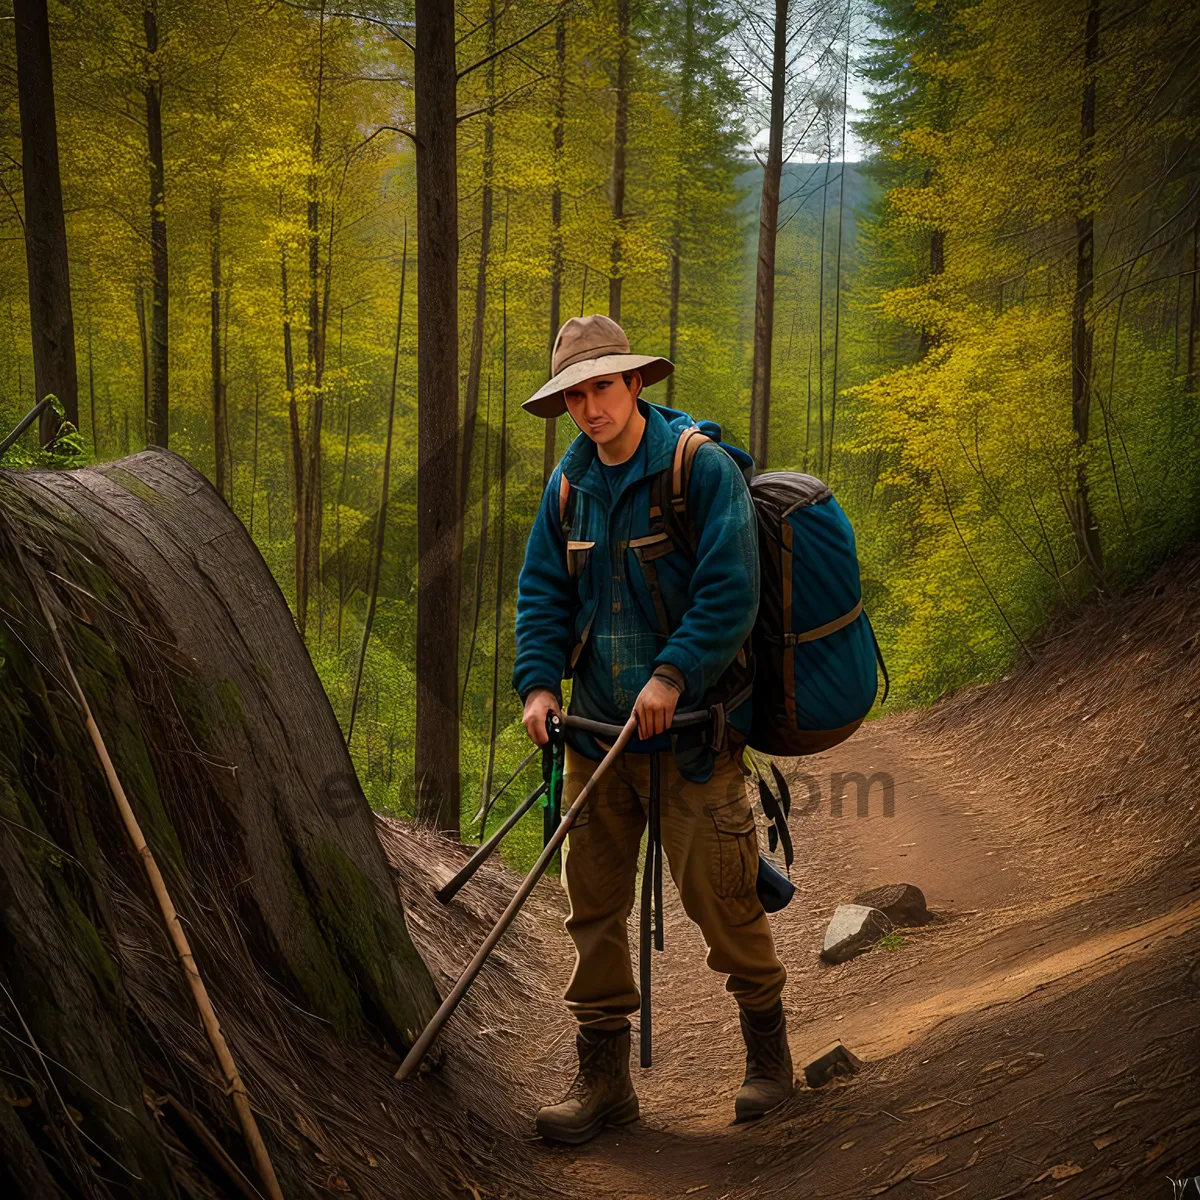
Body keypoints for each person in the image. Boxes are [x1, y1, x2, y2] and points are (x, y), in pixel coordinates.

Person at [512, 313, 793, 1145]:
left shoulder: (697, 470)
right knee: (589, 908)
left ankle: (767, 1055)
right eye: (574, 395)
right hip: (594, 737)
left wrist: (673, 674)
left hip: (695, 737)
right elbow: (541, 596)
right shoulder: (566, 488)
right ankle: (603, 1083)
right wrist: (535, 687)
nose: (590, 407)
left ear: (636, 384)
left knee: (721, 895)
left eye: (602, 387)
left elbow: (730, 589)